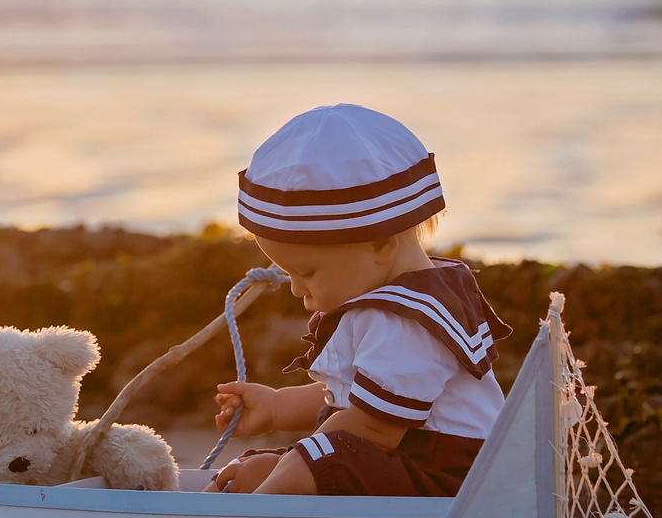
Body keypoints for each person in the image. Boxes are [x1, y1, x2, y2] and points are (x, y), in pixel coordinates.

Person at [204, 103, 511, 496]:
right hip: (409, 466)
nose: (296, 289)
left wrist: (295, 460)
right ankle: (252, 514)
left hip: (453, 484)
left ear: (380, 243)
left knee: (313, 461)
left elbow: (373, 426)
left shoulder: (409, 319)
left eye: (307, 272)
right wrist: (278, 407)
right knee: (261, 468)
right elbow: (361, 397)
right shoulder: (384, 297)